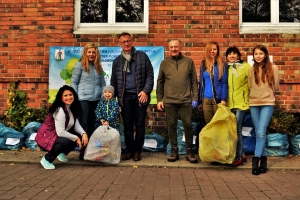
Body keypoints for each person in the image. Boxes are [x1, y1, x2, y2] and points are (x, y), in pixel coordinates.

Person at [111, 32, 154, 161]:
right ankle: (129, 150)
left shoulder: (142, 56)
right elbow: (113, 81)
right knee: (128, 125)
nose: (126, 43)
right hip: (125, 98)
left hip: (140, 96)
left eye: (128, 41)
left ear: (132, 41)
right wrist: (113, 99)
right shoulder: (117, 61)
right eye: (123, 42)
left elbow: (150, 76)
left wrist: (146, 91)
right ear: (120, 44)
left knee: (140, 125)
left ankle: (137, 151)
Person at [156, 39, 198, 163]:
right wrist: (159, 99)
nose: (173, 49)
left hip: (185, 100)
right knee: (172, 125)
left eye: (176, 47)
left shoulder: (188, 62)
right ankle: (174, 151)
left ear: (180, 47)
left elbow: (194, 81)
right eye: (171, 47)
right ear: (169, 48)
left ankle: (190, 151)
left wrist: (195, 98)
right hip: (169, 101)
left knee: (188, 125)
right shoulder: (164, 63)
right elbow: (160, 82)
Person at [38, 85, 88, 169]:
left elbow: (76, 124)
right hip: (46, 137)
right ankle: (46, 159)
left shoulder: (70, 107)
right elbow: (60, 132)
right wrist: (75, 138)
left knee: (79, 135)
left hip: (55, 135)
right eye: (65, 95)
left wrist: (84, 134)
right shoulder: (60, 110)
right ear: (60, 97)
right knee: (67, 141)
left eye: (70, 94)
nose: (69, 97)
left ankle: (61, 153)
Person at [70, 43, 106, 159]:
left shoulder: (98, 67)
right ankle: (71, 148)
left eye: (93, 52)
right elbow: (73, 83)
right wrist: (74, 98)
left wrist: (104, 96)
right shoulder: (80, 65)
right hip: (83, 99)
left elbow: (103, 83)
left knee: (91, 125)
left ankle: (86, 151)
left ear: (96, 54)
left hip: (96, 100)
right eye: (89, 52)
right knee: (82, 124)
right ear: (85, 53)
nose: (91, 54)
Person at [248, 45, 279, 175]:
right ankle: (264, 160)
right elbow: (250, 86)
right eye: (256, 54)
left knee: (261, 132)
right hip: (254, 103)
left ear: (265, 54)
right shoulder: (251, 70)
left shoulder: (274, 68)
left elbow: (276, 86)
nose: (258, 56)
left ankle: (255, 160)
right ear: (253, 56)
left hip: (267, 102)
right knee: (258, 132)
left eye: (261, 53)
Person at [226, 46, 251, 167]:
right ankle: (243, 154)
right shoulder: (227, 68)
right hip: (230, 103)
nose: (232, 56)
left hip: (242, 103)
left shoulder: (245, 67)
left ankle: (239, 156)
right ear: (226, 57)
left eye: (234, 54)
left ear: (238, 55)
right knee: (234, 129)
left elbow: (252, 82)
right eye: (229, 54)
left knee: (237, 128)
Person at [198, 42, 228, 124]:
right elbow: (201, 84)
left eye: (214, 49)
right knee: (209, 124)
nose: (212, 51)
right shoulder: (203, 65)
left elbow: (224, 83)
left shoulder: (222, 65)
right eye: (210, 49)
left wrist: (223, 99)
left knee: (218, 124)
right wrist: (200, 101)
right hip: (206, 100)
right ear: (207, 51)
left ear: (217, 51)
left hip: (217, 100)